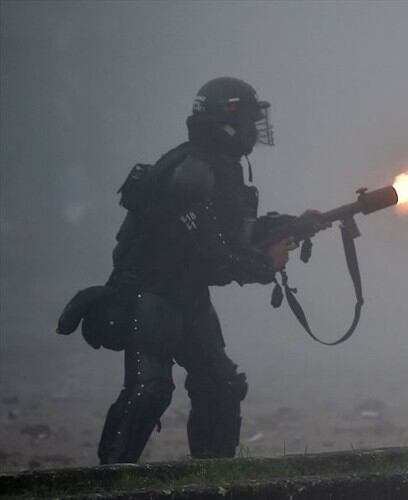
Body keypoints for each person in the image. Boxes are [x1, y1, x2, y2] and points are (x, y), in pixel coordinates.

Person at [92, 77, 308, 463]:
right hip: (149, 296)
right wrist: (266, 263)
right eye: (248, 118)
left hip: (185, 295)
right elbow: (215, 259)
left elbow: (224, 234)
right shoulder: (192, 174)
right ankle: (107, 482)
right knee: (149, 391)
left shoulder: (216, 167)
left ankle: (214, 475)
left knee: (221, 385)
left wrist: (291, 224)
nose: (255, 129)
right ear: (227, 120)